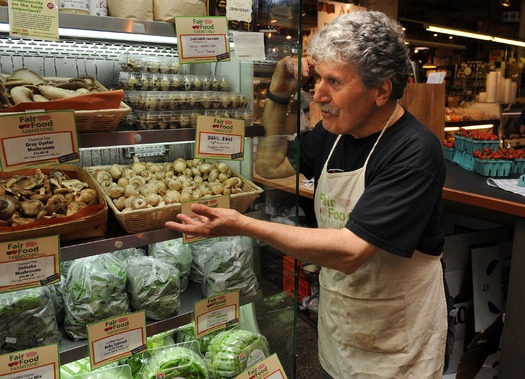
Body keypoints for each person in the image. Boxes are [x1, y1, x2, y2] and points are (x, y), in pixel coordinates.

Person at [166, 10, 448, 378]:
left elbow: (350, 252)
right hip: (342, 326)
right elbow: (268, 166)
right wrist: (280, 89)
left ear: (382, 90)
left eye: (334, 81)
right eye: (317, 79)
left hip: (398, 343)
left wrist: (244, 225)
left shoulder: (414, 151)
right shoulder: (334, 135)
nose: (318, 95)